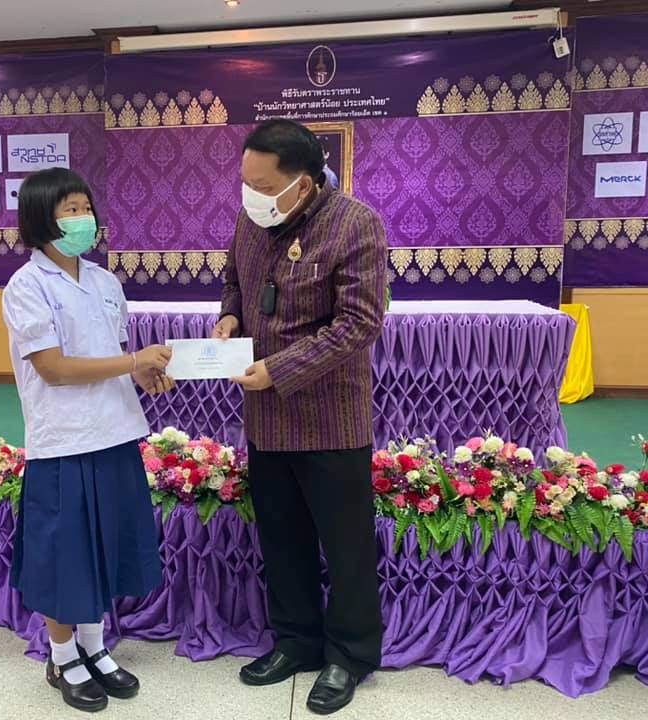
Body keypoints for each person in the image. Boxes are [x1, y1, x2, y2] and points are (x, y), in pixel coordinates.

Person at [213, 119, 387, 715]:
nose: (251, 196)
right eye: (246, 183)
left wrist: (279, 369)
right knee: (282, 539)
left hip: (329, 418)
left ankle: (350, 655)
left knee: (346, 546)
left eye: (263, 186)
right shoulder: (251, 219)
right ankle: (296, 642)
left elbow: (359, 323)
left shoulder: (355, 224)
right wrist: (230, 317)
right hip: (266, 418)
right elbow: (234, 281)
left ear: (304, 184)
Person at [2, 167, 174, 713]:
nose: (83, 219)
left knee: (104, 547)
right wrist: (131, 361)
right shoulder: (26, 286)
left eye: (86, 207)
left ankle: (95, 648)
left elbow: (114, 356)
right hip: (63, 440)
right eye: (69, 210)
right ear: (41, 218)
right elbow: (53, 368)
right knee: (65, 555)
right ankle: (62, 657)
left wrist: (142, 373)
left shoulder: (104, 282)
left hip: (115, 431)